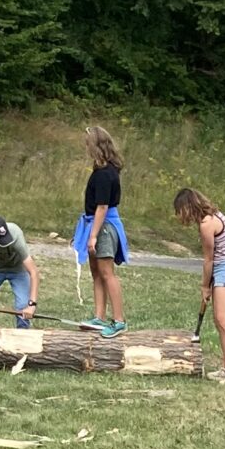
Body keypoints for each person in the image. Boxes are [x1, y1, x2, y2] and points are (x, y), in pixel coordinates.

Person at [173, 186, 225, 383]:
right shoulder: (209, 217)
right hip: (222, 266)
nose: (179, 216)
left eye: (180, 211)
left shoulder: (207, 224)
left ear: (188, 207)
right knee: (218, 319)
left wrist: (204, 286)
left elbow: (208, 260)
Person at [73, 125, 130, 336]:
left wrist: (94, 235)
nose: (86, 148)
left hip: (104, 227)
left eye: (88, 144)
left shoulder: (106, 174)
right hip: (94, 224)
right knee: (96, 273)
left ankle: (118, 320)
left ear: (97, 146)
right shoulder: (100, 171)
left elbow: (103, 206)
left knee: (107, 273)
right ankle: (99, 317)